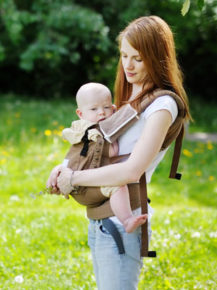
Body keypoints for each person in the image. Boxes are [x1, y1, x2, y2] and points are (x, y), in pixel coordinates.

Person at [46, 15, 191, 289]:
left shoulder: (161, 106)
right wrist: (63, 169)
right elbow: (97, 150)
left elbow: (131, 170)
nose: (128, 64)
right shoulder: (132, 101)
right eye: (124, 55)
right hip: (102, 221)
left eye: (137, 57)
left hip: (121, 223)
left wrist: (73, 179)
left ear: (157, 57)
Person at [61, 82, 148, 233]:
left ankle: (127, 220)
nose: (101, 112)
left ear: (113, 108)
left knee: (116, 186)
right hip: (84, 186)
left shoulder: (92, 129)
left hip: (86, 182)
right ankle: (127, 220)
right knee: (117, 186)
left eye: (106, 107)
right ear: (81, 114)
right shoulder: (88, 132)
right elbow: (111, 152)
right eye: (94, 109)